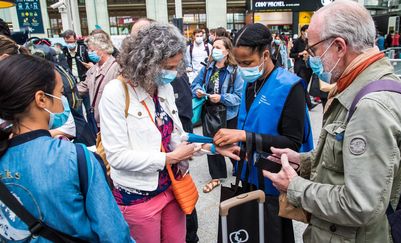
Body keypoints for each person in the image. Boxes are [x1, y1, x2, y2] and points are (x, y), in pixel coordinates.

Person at [263, 1, 401, 242]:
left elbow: (361, 204)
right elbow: (350, 161)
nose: (312, 59)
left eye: (314, 51)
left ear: (338, 46)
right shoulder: (376, 83)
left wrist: (294, 186)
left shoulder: (371, 108)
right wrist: (304, 161)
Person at [99, 22, 238, 243]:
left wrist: (210, 147)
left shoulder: (163, 87)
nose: (173, 73)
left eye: (176, 66)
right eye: (168, 67)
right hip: (138, 197)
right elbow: (117, 156)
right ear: (147, 63)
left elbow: (176, 137)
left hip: (173, 187)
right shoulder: (115, 93)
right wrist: (169, 159)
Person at [0, 54, 133, 242]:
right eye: (60, 93)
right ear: (41, 99)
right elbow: (114, 233)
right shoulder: (75, 158)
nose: (62, 100)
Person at [213, 23, 314, 243]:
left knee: (271, 233)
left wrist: (244, 137)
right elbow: (248, 124)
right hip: (248, 174)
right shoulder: (250, 83)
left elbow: (294, 143)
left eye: (247, 62)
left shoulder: (290, 86)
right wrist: (233, 143)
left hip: (273, 180)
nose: (242, 68)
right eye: (238, 63)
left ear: (265, 54)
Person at [191, 37, 244, 193]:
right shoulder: (208, 68)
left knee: (231, 144)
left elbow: (238, 97)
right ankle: (217, 176)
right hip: (210, 113)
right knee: (212, 142)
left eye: (219, 47)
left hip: (228, 114)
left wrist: (221, 97)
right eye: (213, 46)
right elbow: (195, 84)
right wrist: (198, 91)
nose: (215, 50)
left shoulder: (235, 71)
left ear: (227, 51)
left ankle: (239, 169)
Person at [171, 73, 199, 243]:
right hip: (165, 162)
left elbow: (183, 114)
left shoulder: (175, 78)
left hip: (175, 160)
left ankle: (191, 236)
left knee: (185, 201)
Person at [77, 32, 120, 130]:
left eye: (92, 50)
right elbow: (84, 86)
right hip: (96, 119)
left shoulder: (117, 68)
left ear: (102, 49)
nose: (89, 52)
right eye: (88, 49)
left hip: (111, 121)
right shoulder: (93, 69)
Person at [290, 25, 316, 110]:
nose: (308, 33)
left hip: (308, 67)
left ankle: (298, 102)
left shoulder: (310, 41)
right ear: (302, 32)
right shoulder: (297, 42)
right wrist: (300, 53)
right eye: (307, 31)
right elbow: (291, 54)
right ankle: (309, 104)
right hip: (300, 67)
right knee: (303, 85)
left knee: (304, 86)